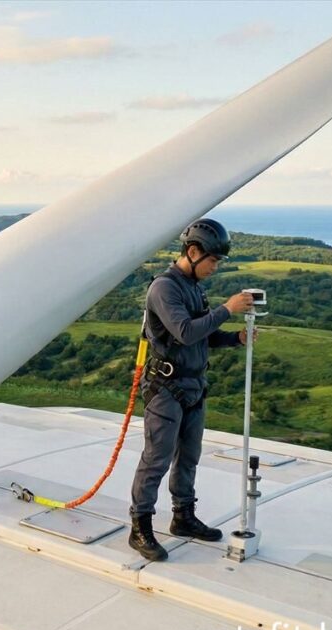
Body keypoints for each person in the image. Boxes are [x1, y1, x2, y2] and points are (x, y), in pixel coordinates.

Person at [129, 218, 256, 561]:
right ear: (194, 251)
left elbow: (203, 334)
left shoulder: (194, 287)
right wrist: (227, 309)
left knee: (188, 456)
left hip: (193, 385)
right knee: (156, 458)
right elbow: (185, 332)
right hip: (166, 387)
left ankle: (183, 517)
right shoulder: (164, 288)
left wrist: (236, 338)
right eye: (213, 260)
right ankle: (139, 528)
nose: (215, 267)